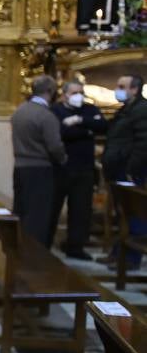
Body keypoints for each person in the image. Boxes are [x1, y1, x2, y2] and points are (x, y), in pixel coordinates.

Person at [51, 79, 107, 260]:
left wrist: (79, 120)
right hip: (61, 168)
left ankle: (75, 247)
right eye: (74, 92)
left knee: (81, 211)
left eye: (81, 92)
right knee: (53, 209)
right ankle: (45, 244)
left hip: (84, 169)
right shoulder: (56, 110)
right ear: (65, 94)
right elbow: (61, 133)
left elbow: (102, 126)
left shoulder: (89, 109)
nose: (79, 96)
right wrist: (87, 131)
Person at [10, 74, 67, 249]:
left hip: (20, 167)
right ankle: (34, 256)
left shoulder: (19, 111)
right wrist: (63, 159)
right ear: (50, 91)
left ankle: (18, 250)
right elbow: (54, 146)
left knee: (21, 210)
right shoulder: (46, 116)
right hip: (40, 169)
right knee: (38, 216)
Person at [100, 74, 147, 268]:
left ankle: (130, 258)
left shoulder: (142, 110)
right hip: (119, 168)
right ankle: (118, 252)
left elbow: (143, 143)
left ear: (134, 89)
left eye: (121, 86)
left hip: (130, 170)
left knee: (134, 213)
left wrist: (131, 169)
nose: (117, 89)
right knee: (122, 214)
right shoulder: (126, 109)